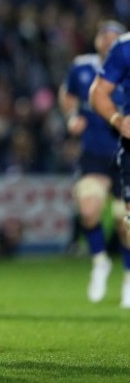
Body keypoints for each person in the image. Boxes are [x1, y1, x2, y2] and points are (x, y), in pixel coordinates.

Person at [59, 20, 129, 304]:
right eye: (105, 36)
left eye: (114, 36)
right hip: (96, 151)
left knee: (122, 222)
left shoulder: (123, 63)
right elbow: (68, 94)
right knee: (88, 210)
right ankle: (100, 262)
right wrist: (72, 116)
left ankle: (127, 274)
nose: (109, 41)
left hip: (122, 150)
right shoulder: (83, 66)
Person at [89, 25, 130, 309]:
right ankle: (101, 262)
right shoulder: (124, 49)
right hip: (99, 151)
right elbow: (97, 92)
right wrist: (119, 120)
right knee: (94, 210)